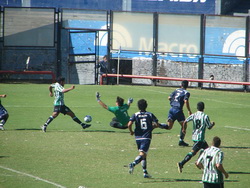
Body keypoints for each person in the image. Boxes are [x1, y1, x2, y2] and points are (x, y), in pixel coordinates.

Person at [177, 101, 215, 173]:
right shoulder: (205, 116)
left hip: (195, 137)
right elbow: (209, 127)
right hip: (199, 138)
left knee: (207, 149)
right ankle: (182, 163)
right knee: (192, 153)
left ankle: (199, 161)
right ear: (203, 108)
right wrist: (212, 124)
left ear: (197, 108)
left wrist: (183, 129)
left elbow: (185, 121)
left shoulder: (194, 115)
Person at [128, 99, 159, 178]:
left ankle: (145, 172)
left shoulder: (135, 114)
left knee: (144, 154)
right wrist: (153, 127)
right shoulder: (150, 114)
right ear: (146, 106)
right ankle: (133, 164)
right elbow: (156, 124)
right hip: (146, 137)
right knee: (142, 154)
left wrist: (131, 131)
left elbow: (129, 124)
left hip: (138, 137)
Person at [159, 80, 192, 146]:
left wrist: (174, 102)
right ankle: (181, 141)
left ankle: (156, 125)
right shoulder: (186, 92)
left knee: (169, 127)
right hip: (178, 110)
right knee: (184, 125)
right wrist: (189, 110)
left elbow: (169, 97)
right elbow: (186, 101)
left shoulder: (176, 90)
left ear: (181, 85)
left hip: (171, 109)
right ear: (187, 86)